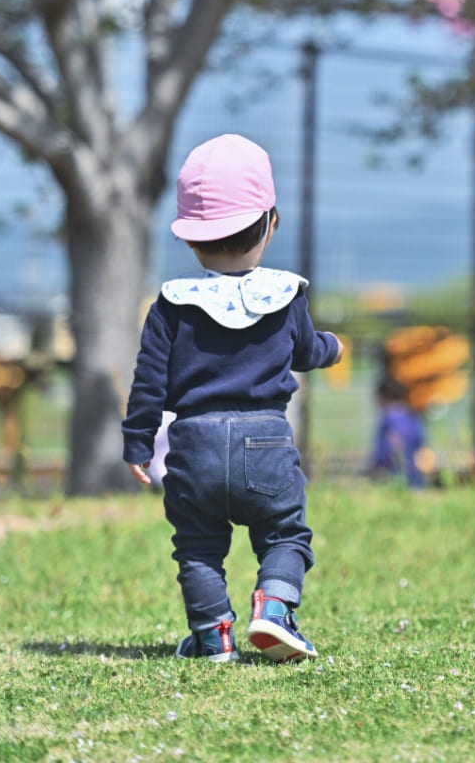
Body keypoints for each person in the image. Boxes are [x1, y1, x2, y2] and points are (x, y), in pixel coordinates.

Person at [122, 133, 342, 664]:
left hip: (193, 445)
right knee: (285, 535)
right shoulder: (286, 296)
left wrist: (136, 444)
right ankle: (274, 610)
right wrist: (333, 348)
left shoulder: (172, 304)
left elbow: (148, 381)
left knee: (198, 547)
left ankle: (212, 637)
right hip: (265, 439)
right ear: (271, 223)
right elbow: (307, 351)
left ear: (191, 240)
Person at [370, 376, 428, 489]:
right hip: (415, 478)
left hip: (392, 479)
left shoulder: (387, 418)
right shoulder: (412, 415)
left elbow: (384, 449)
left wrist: (377, 467)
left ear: (384, 396)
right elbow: (422, 444)